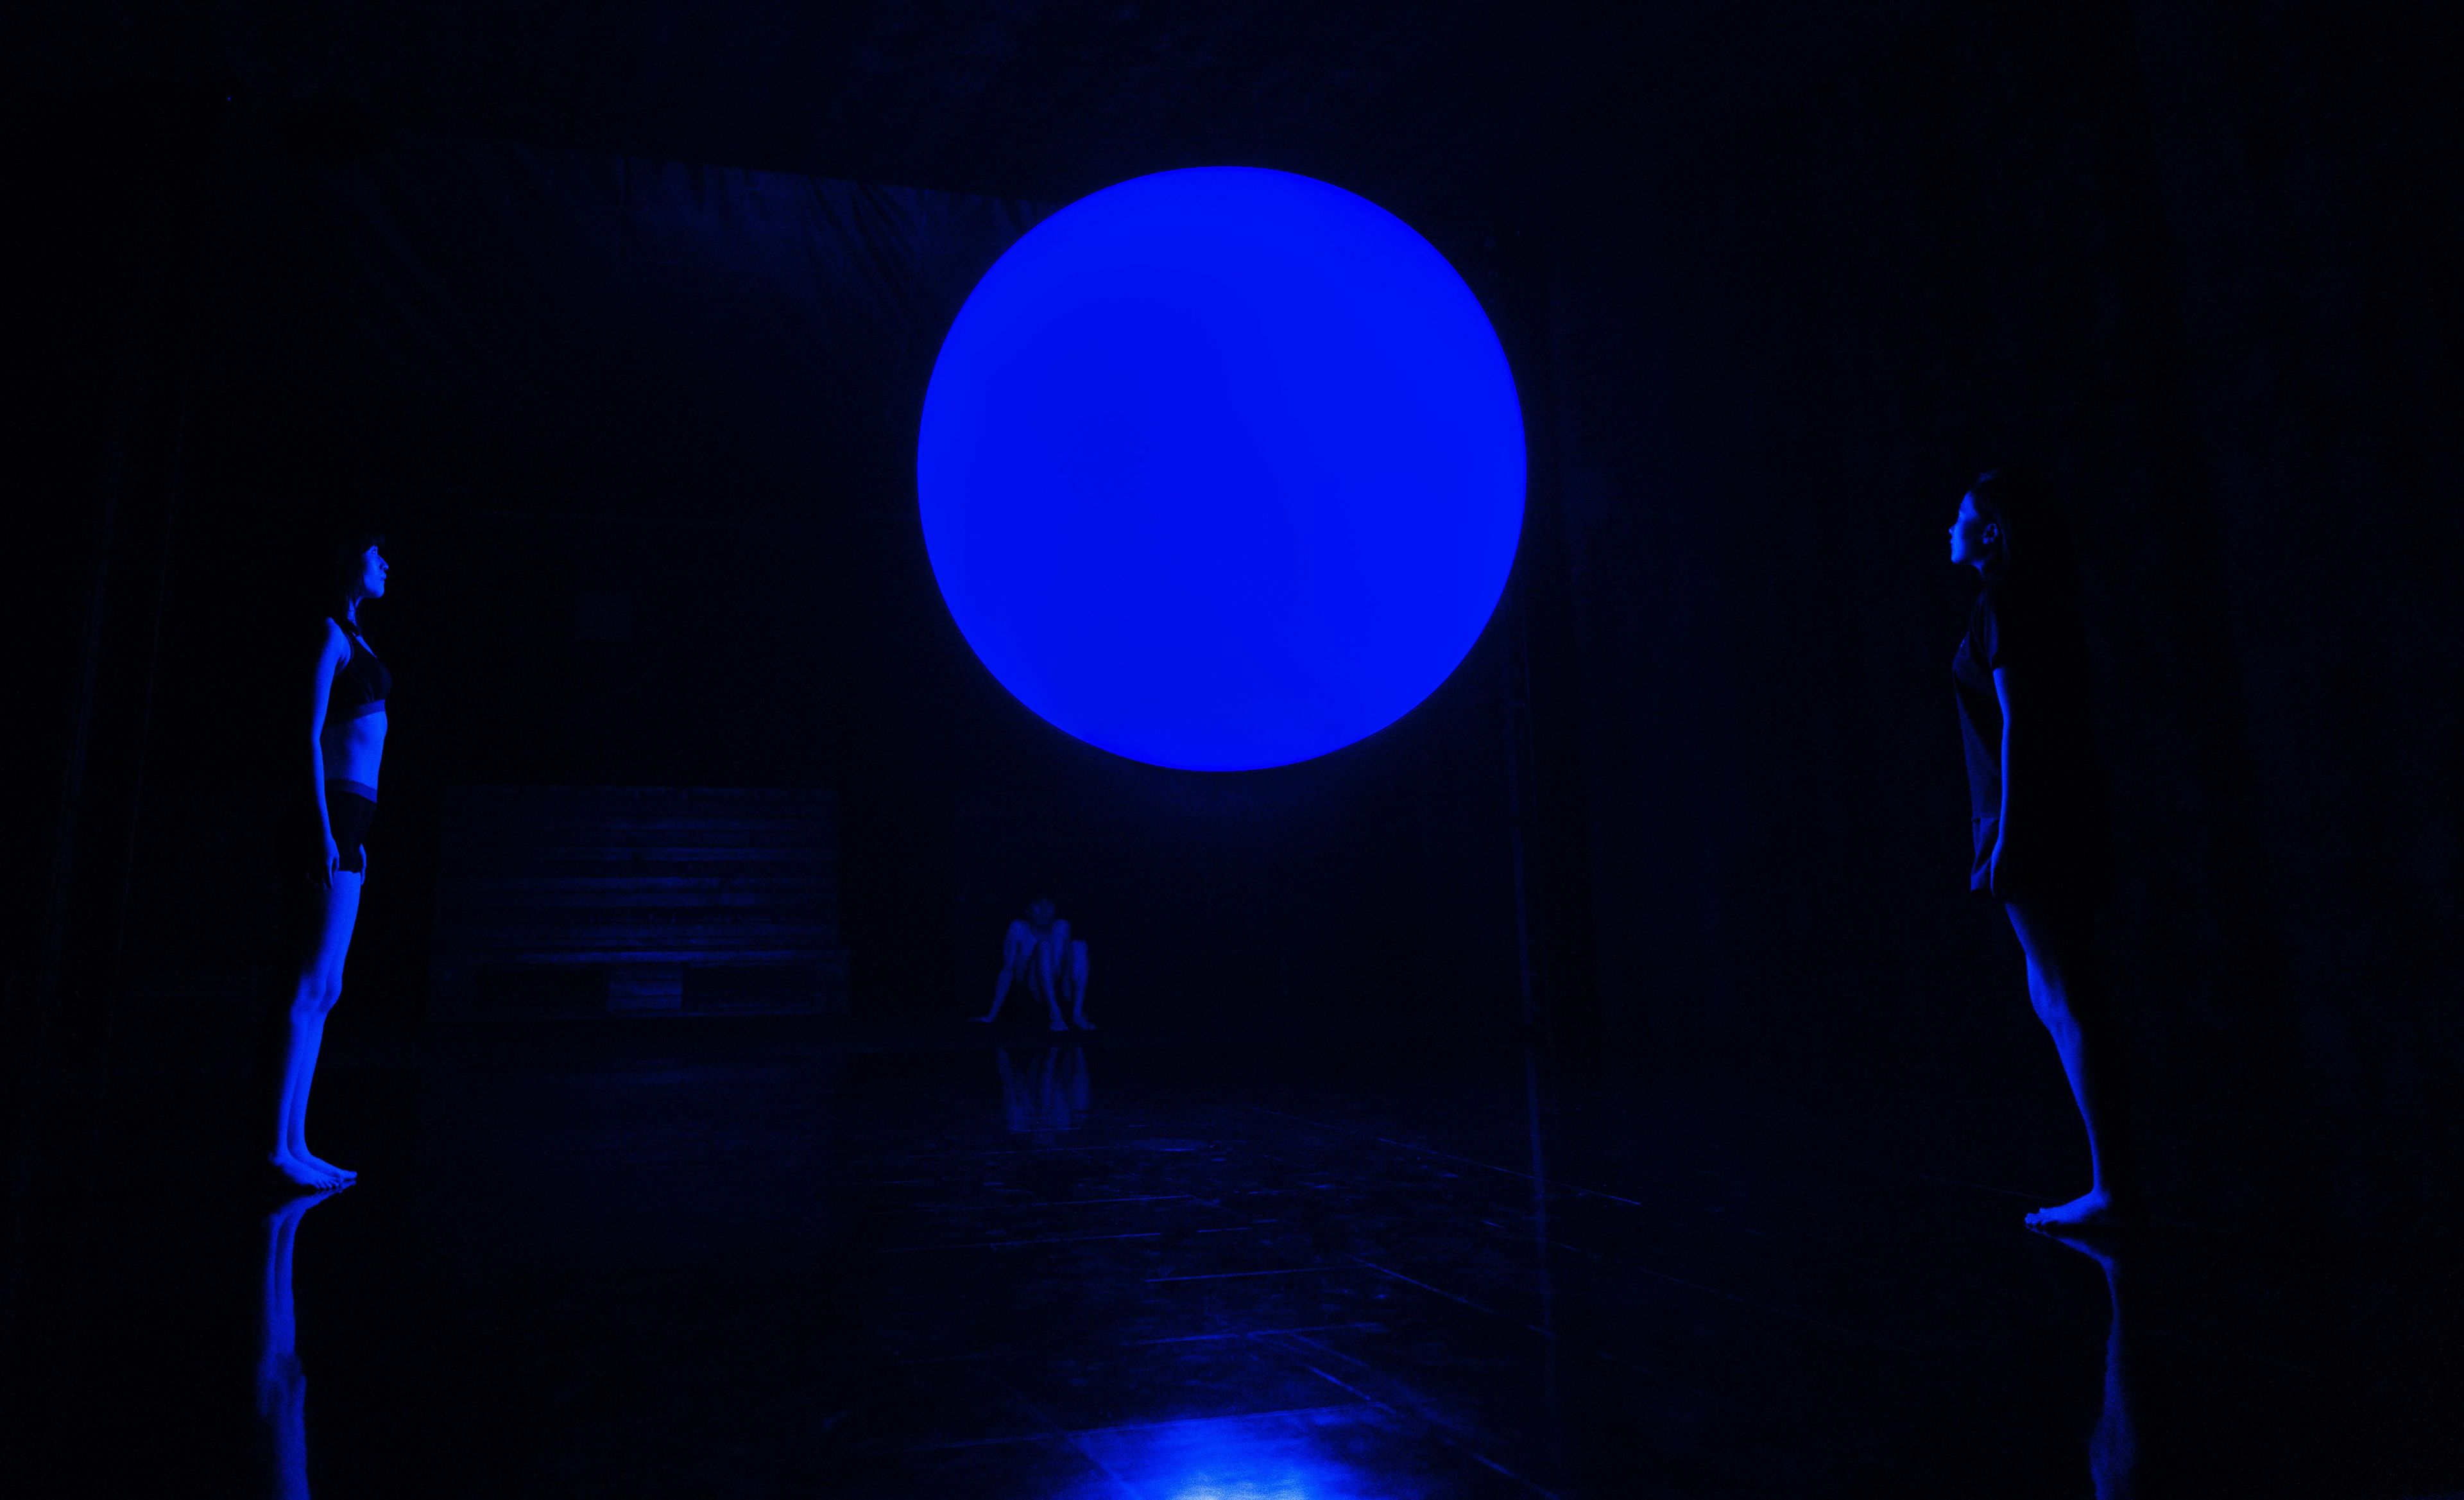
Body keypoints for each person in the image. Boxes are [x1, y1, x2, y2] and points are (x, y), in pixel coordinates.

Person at [1947, 471, 2137, 1229]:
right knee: (2059, 991)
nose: (1949, 526)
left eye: (1962, 516)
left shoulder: (2003, 606)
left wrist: (2012, 831)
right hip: (2051, 812)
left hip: (2029, 819)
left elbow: (2021, 722)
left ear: (1992, 531)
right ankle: (2112, 1184)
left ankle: (2113, 1189)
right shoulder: (2034, 605)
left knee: (2066, 995)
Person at [264, 533, 391, 1189]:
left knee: (328, 988)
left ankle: (297, 1141)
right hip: (329, 820)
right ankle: (274, 1149)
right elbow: (306, 734)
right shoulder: (330, 634)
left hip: (350, 826)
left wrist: (351, 836)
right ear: (347, 560)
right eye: (375, 553)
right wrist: (321, 827)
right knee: (307, 984)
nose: (385, 563)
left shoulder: (356, 636)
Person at [971, 897, 1092, 1031]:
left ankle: (1077, 1014)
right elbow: (1007, 970)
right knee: (1044, 947)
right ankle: (1055, 1015)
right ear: (1027, 910)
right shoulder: (1018, 928)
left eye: (1049, 905)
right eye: (1038, 905)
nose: (1044, 910)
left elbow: (1069, 967)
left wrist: (1068, 992)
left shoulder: (1062, 926)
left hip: (1058, 988)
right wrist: (991, 1016)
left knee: (1079, 946)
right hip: (1032, 990)